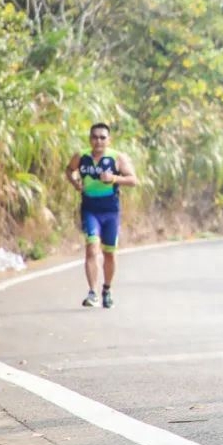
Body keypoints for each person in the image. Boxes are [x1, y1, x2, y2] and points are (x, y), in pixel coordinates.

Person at [65, 123, 138, 309]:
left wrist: (114, 178)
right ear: (90, 139)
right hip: (90, 209)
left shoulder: (117, 158)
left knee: (109, 253)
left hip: (110, 212)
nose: (98, 141)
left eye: (102, 137)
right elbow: (69, 170)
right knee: (91, 248)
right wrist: (76, 184)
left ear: (109, 139)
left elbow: (133, 180)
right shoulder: (81, 157)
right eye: (95, 137)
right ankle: (92, 292)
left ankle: (107, 289)